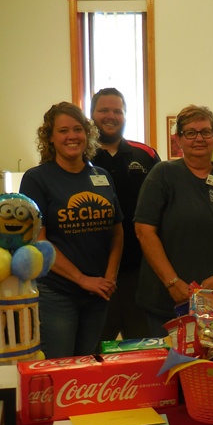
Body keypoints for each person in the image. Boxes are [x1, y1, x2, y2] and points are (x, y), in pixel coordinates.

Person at [135, 105, 213, 336]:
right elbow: (144, 231)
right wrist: (173, 283)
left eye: (206, 132)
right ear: (179, 139)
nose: (199, 138)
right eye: (190, 133)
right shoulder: (163, 174)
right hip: (167, 300)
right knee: (169, 359)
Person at [20, 102, 124, 358]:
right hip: (58, 293)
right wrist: (81, 279)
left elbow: (117, 232)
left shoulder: (101, 176)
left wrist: (109, 277)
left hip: (99, 292)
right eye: (63, 130)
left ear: (87, 134)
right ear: (50, 137)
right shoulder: (36, 179)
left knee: (89, 363)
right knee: (61, 364)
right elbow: (39, 241)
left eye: (78, 129)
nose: (72, 136)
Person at [90, 88, 161, 342]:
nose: (111, 116)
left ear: (125, 115)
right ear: (92, 115)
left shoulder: (146, 155)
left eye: (117, 111)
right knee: (94, 349)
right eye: (104, 110)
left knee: (142, 347)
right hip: (94, 274)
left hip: (139, 271)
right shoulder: (80, 156)